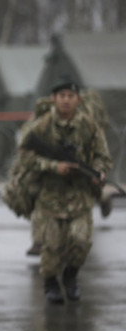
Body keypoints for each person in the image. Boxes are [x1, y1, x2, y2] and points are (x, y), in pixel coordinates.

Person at [19, 77, 112, 304]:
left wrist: (98, 172)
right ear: (54, 99)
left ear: (78, 99)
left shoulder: (88, 126)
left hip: (79, 196)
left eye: (71, 96)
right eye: (62, 96)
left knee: (80, 243)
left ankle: (71, 277)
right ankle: (51, 283)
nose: (66, 101)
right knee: (50, 249)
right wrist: (53, 166)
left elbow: (103, 157)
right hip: (49, 198)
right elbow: (26, 155)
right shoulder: (42, 126)